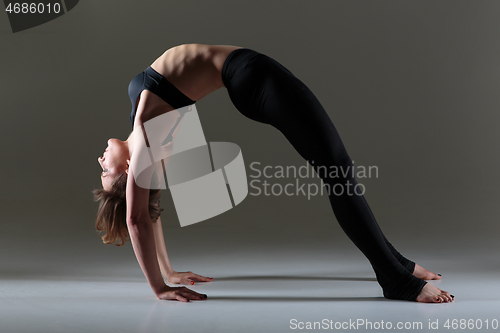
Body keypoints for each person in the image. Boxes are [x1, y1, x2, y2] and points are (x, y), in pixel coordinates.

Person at [94, 44, 454, 303]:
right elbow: (137, 216)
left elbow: (148, 209)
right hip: (253, 78)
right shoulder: (144, 133)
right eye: (106, 174)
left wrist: (169, 272)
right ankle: (396, 279)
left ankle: (398, 265)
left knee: (338, 172)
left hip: (249, 78)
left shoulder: (149, 139)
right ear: (127, 170)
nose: (100, 162)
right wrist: (158, 286)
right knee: (338, 173)